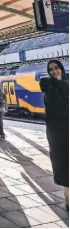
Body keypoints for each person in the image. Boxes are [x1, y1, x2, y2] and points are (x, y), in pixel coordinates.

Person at [40, 59, 69, 210]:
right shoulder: (48, 86)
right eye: (51, 69)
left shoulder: (67, 82)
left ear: (61, 68)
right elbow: (55, 107)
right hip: (57, 130)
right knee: (63, 163)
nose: (54, 71)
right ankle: (68, 200)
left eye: (56, 68)